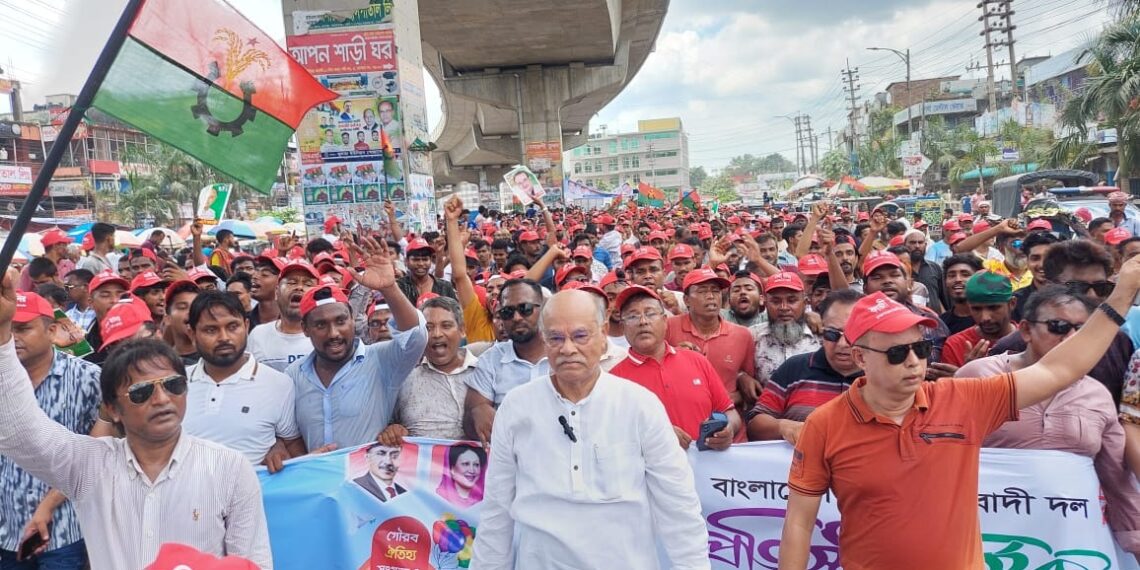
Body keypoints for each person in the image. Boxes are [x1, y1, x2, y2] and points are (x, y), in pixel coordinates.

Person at [778, 250, 1140, 570]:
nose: (914, 363)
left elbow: (1059, 369)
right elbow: (798, 523)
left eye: (920, 349)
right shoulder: (824, 425)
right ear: (859, 357)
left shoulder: (962, 400)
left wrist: (1122, 294)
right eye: (896, 353)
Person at [0, 268, 271, 569]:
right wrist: (2, 332)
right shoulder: (89, 466)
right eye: (142, 392)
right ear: (112, 409)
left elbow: (251, 562)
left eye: (173, 385)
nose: (162, 399)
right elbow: (17, 430)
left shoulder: (230, 468)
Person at [470, 290, 710, 569]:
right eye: (556, 338)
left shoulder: (640, 405)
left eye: (580, 336)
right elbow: (497, 511)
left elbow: (678, 506)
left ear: (604, 333)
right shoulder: (516, 407)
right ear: (544, 339)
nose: (568, 349)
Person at [958, 286, 1140, 559]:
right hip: (985, 540)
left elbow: (1116, 480)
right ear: (1027, 331)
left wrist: (1135, 540)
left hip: (1067, 542)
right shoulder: (978, 377)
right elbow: (942, 457)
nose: (1072, 337)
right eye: (1058, 326)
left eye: (1083, 330)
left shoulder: (1098, 395)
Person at [286, 237, 428, 451]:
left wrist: (389, 288)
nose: (334, 333)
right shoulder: (293, 375)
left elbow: (416, 337)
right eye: (321, 325)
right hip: (315, 481)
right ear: (305, 329)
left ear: (354, 320)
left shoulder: (380, 360)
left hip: (365, 482)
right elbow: (288, 436)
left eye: (341, 321)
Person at [1, 291, 107, 568]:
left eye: (23, 328)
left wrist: (50, 503)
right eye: (7, 329)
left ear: (51, 331)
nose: (14, 338)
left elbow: (98, 450)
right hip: (7, 532)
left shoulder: (87, 378)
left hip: (64, 532)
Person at [610, 285, 741, 448]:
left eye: (650, 313)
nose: (643, 322)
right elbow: (611, 435)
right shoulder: (613, 380)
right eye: (632, 316)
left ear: (665, 321)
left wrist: (728, 430)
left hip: (707, 468)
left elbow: (729, 412)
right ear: (623, 327)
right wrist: (656, 434)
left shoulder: (696, 360)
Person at [183, 291, 303, 467]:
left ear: (246, 326)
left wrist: (279, 447)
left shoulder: (279, 385)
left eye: (232, 327)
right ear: (192, 334)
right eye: (211, 330)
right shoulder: (174, 385)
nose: (224, 337)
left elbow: (292, 444)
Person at [747, 289, 863, 444]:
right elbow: (755, 426)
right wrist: (783, 426)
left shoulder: (883, 376)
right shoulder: (794, 368)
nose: (842, 344)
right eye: (832, 334)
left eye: (851, 335)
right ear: (822, 328)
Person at [377, 296, 475, 443]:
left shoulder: (486, 373)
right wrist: (393, 430)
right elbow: (386, 427)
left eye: (446, 326)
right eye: (428, 328)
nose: (437, 334)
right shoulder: (403, 380)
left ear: (462, 330)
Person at [464, 279, 550, 444]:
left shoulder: (564, 354)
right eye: (507, 312)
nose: (516, 317)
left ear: (543, 310)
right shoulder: (490, 360)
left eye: (525, 309)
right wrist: (477, 412)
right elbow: (469, 426)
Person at [666, 268, 758, 410]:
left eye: (715, 291)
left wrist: (729, 398)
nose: (710, 296)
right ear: (686, 300)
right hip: (680, 415)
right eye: (702, 291)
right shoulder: (668, 328)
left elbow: (749, 385)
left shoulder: (742, 335)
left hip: (728, 419)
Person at [749, 272, 820, 388]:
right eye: (776, 301)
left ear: (805, 302)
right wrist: (741, 376)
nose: (784, 307)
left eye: (792, 301)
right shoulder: (752, 337)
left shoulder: (822, 337)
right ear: (766, 304)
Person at [247, 260, 319, 372]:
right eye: (292, 282)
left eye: (308, 284)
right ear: (277, 292)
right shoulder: (257, 335)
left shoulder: (324, 336)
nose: (299, 287)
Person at [939, 271, 1017, 368]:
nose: (985, 318)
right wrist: (966, 373)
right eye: (976, 309)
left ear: (1012, 304)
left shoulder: (1029, 340)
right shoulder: (955, 346)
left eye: (993, 308)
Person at [939, 253, 983, 335]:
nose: (958, 279)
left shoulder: (990, 319)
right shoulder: (941, 324)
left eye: (965, 275)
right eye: (951, 275)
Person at [163, 279, 201, 365]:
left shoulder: (216, 356)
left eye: (195, 306)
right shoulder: (163, 364)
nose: (190, 312)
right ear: (167, 318)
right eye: (182, 307)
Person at [435, 443, 486, 508]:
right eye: (466, 464)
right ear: (452, 469)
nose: (472, 470)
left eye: (476, 465)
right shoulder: (437, 498)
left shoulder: (487, 499)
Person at [247, 255, 281, 329]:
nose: (254, 276)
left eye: (264, 274)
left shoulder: (296, 321)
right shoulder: (245, 321)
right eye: (255, 272)